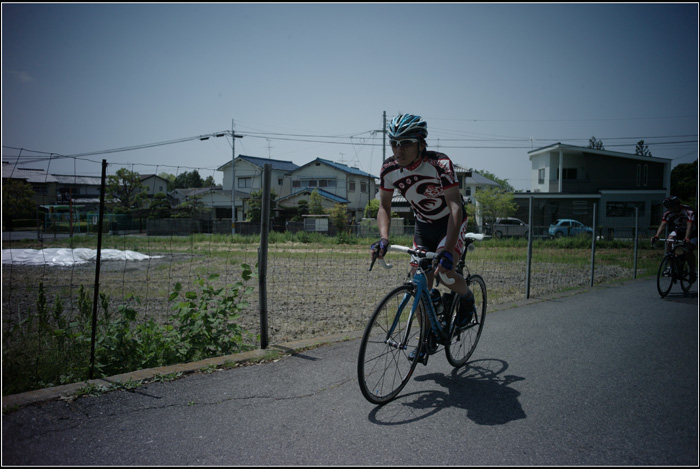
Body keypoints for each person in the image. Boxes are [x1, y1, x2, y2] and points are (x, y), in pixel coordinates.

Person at [370, 113, 475, 363]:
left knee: (444, 273)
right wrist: (383, 238)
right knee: (419, 283)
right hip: (423, 226)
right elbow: (384, 207)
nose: (398, 149)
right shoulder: (389, 168)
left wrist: (447, 251)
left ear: (420, 143)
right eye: (394, 142)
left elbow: (455, 207)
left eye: (405, 142)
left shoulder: (440, 164)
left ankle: (466, 297)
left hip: (451, 223)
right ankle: (426, 336)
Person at [651, 196, 697, 283]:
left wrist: (687, 238)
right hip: (679, 230)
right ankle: (670, 266)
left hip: (693, 232)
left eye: (672, 207)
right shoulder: (668, 213)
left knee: (688, 251)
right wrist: (656, 236)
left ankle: (692, 272)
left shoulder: (688, 211)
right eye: (668, 208)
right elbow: (663, 224)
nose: (670, 209)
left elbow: (690, 226)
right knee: (669, 240)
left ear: (677, 205)